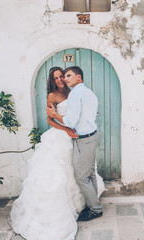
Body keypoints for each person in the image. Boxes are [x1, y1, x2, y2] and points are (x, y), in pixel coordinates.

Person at [9, 67, 104, 240]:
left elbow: (73, 118)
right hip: (64, 136)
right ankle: (87, 205)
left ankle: (92, 206)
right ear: (52, 81)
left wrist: (62, 120)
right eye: (58, 78)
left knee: (82, 173)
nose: (61, 79)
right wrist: (65, 129)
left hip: (78, 136)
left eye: (64, 76)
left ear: (75, 77)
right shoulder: (53, 95)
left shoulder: (74, 92)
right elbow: (49, 120)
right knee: (66, 173)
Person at [46, 66, 103, 222]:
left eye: (68, 75)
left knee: (81, 177)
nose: (65, 78)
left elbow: (71, 121)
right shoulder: (88, 92)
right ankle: (93, 203)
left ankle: (95, 209)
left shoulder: (75, 94)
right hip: (90, 135)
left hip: (84, 139)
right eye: (63, 76)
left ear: (79, 77)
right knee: (89, 173)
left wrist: (54, 114)